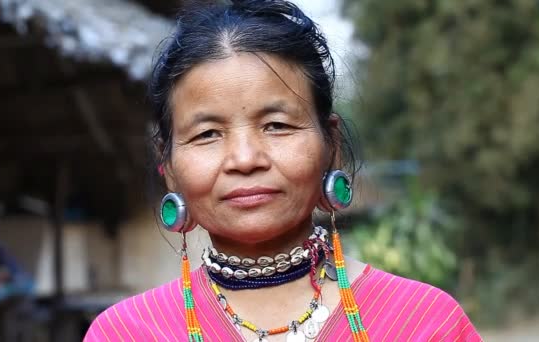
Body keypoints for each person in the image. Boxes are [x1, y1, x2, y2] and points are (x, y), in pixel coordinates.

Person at [84, 1, 482, 341]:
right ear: (168, 166)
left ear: (331, 145)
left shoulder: (423, 323)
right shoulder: (127, 333)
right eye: (207, 133)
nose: (245, 158)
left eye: (277, 125)